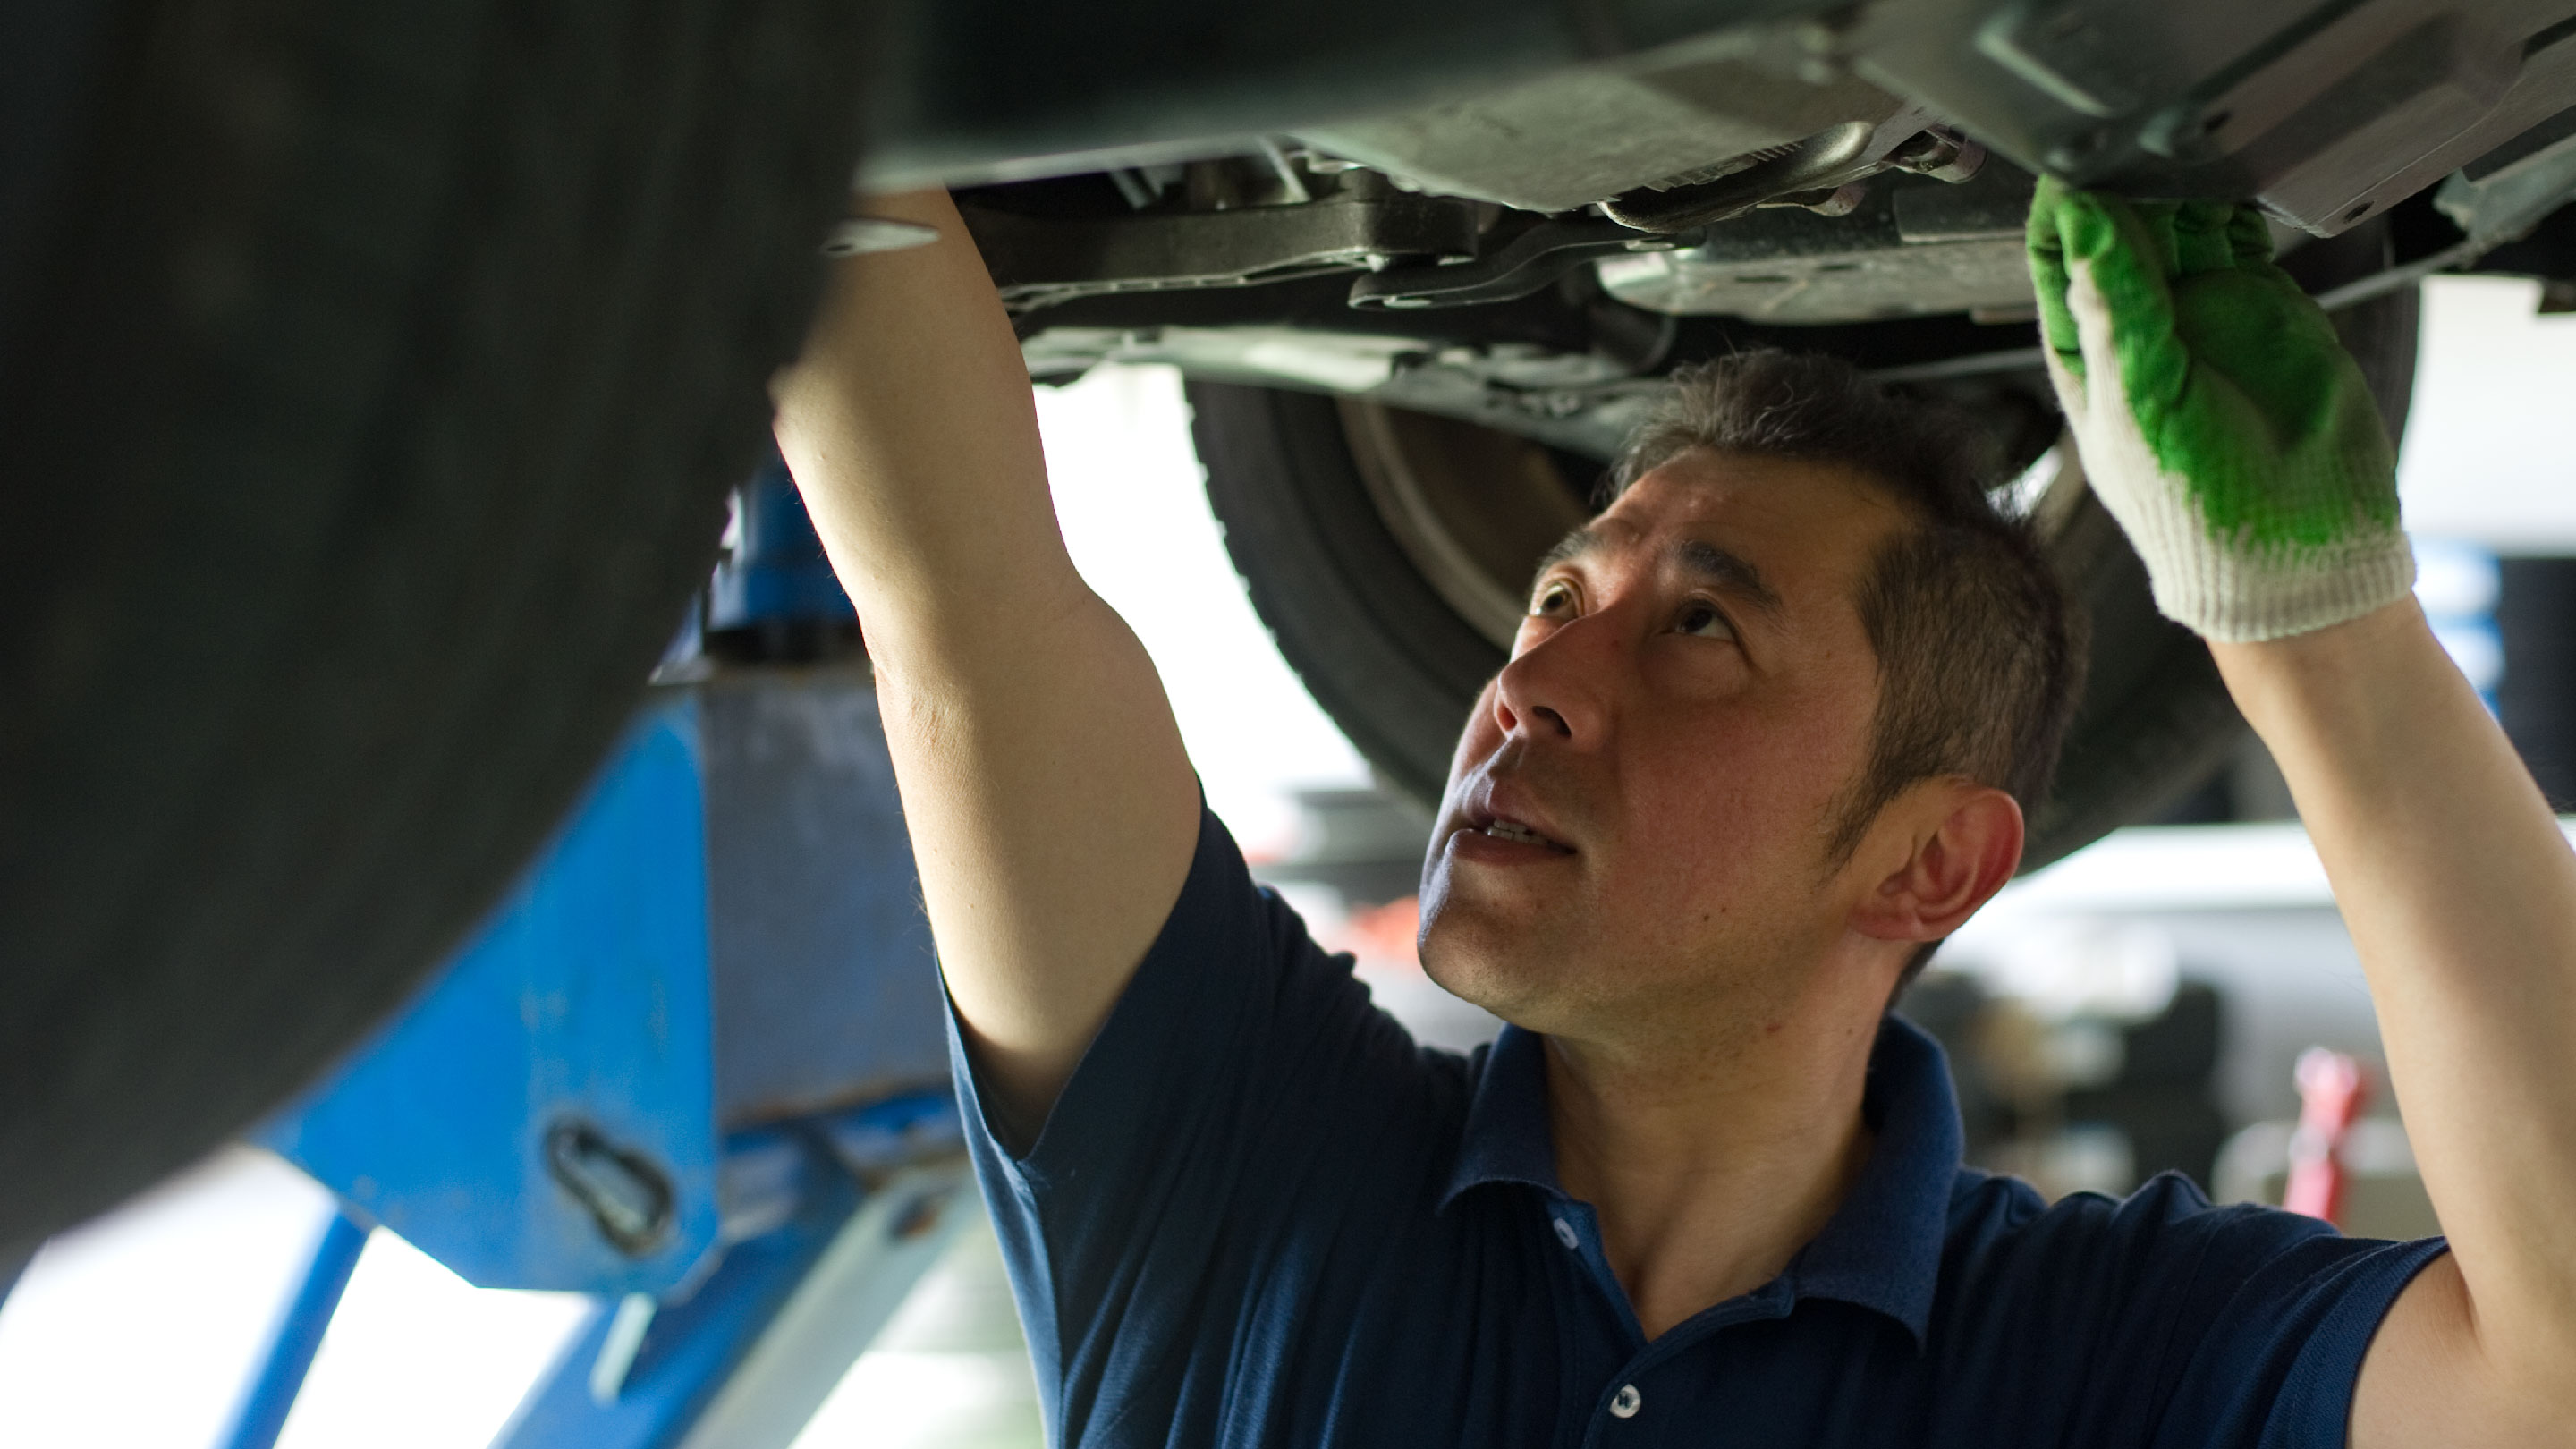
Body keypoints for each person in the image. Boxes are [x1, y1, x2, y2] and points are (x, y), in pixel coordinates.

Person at [770, 180, 2576, 1446]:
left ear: (1930, 858)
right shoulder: (1245, 1158)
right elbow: (963, 601)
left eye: (1702, 628)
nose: (1530, 686)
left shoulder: (2096, 1359)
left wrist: (2321, 632)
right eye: (1558, 600)